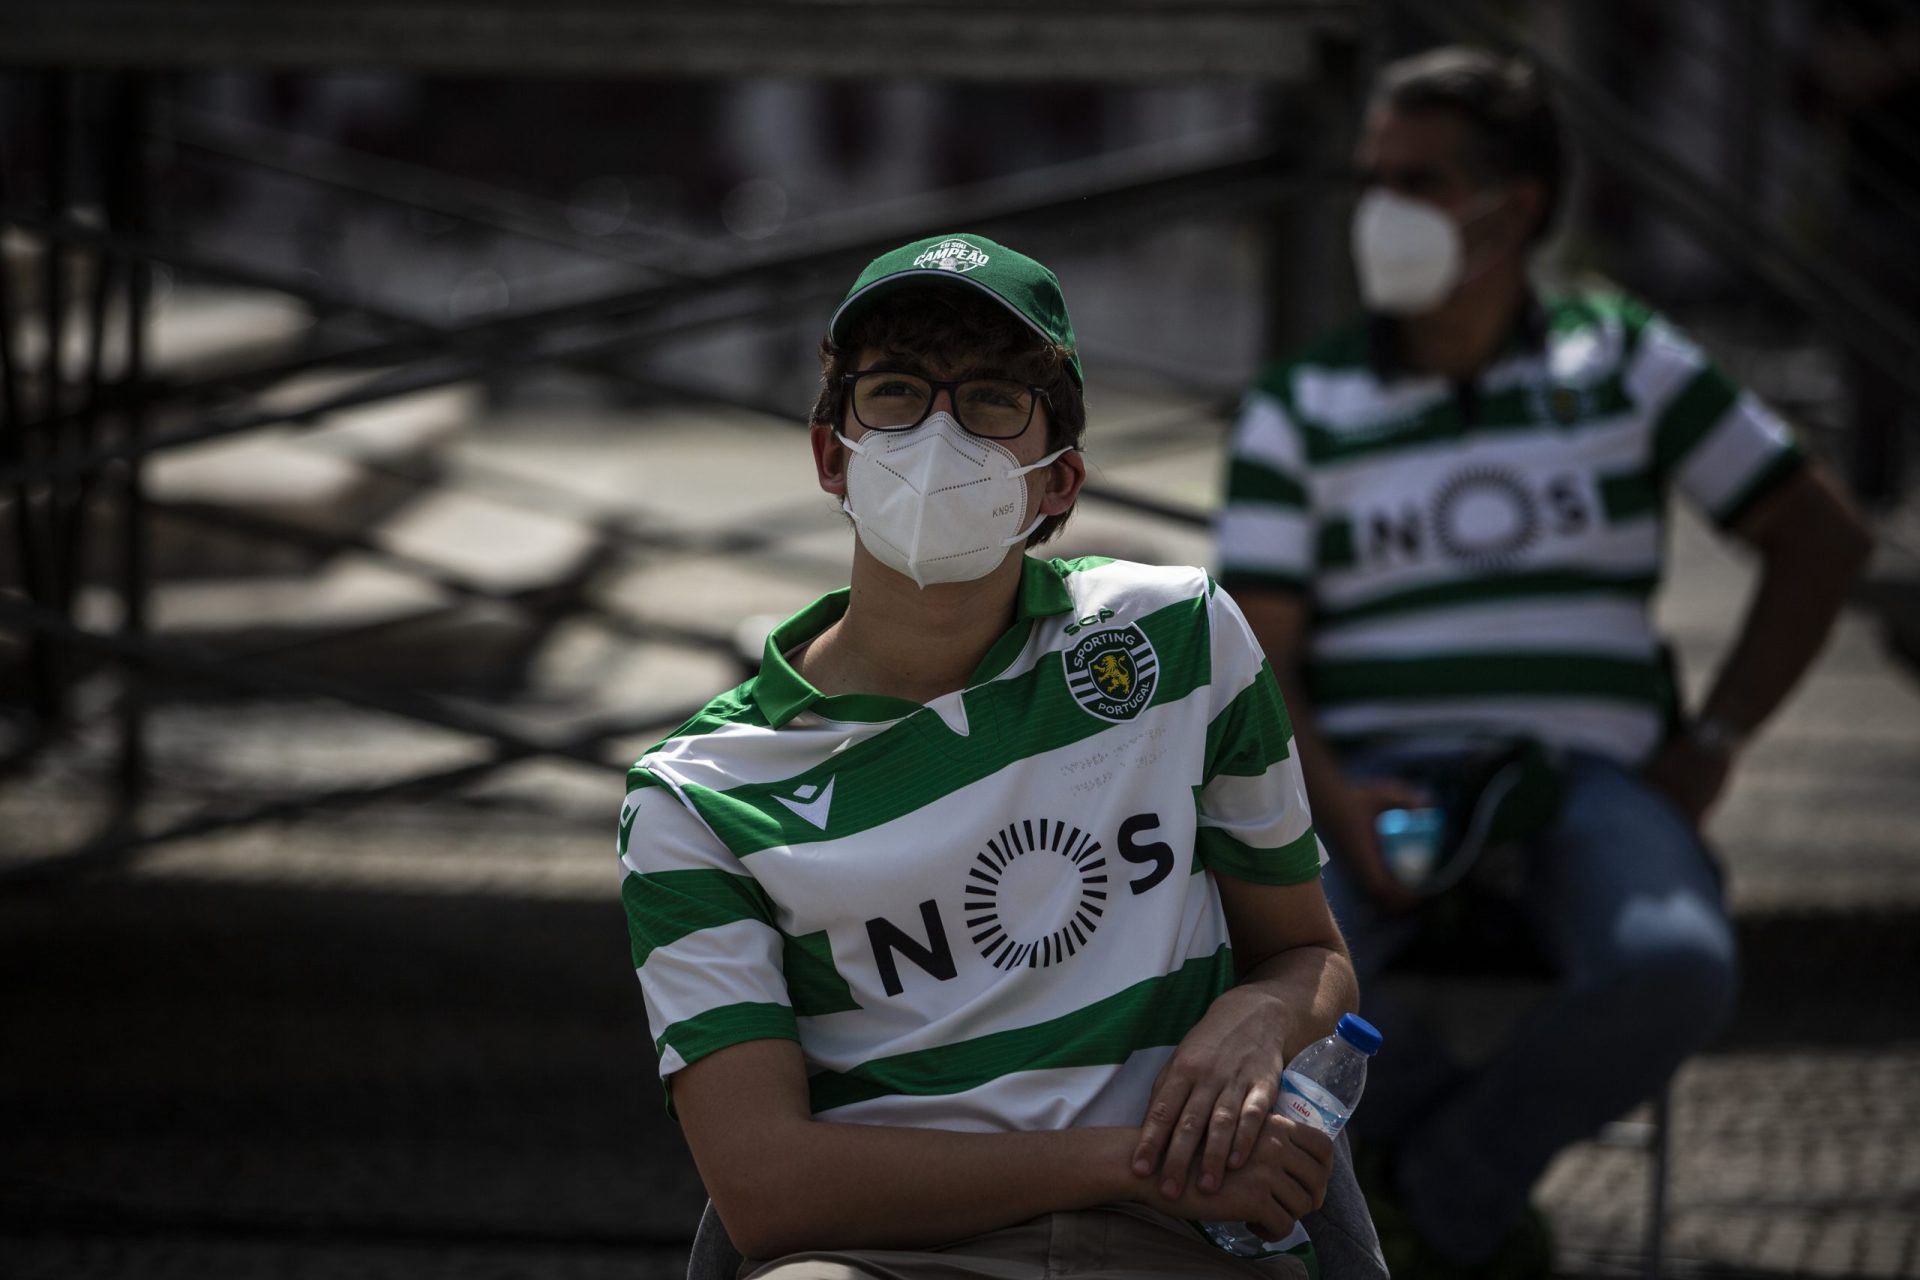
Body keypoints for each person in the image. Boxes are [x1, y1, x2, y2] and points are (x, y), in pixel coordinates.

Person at [1215, 47, 1875, 1277]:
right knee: (1267, 989)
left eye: (1413, 179)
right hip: (1366, 787)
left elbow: (1821, 536)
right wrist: (1334, 797)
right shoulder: (1303, 402)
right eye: (1369, 178)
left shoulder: (1622, 359)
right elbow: (1255, 654)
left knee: (1674, 964)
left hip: (1590, 781)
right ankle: (1386, 1208)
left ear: (1510, 207)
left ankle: (1430, 1194)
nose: (1377, 211)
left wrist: (1713, 743)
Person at [621, 232, 1364, 1280]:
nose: (936, 432)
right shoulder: (698, 796)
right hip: (886, 1253)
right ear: (832, 453)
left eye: (989, 399)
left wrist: (1260, 1009)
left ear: (1057, 481)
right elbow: (768, 1189)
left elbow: (1312, 953)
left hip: (1190, 1245)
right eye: (894, 390)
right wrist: (1135, 1161)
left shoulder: (1179, 638)